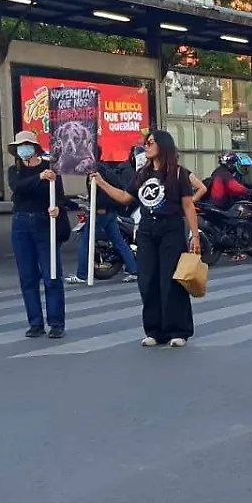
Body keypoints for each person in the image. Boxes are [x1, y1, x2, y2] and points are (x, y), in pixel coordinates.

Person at [93, 130, 200, 347]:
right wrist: (101, 183)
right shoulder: (143, 174)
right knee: (147, 280)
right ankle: (154, 330)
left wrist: (195, 235)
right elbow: (125, 197)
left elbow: (188, 205)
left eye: (151, 142)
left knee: (170, 280)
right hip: (146, 231)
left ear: (163, 145)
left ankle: (177, 330)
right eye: (146, 143)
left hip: (171, 229)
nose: (147, 146)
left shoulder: (178, 174)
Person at [7, 131, 66, 338]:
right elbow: (17, 187)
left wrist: (57, 208)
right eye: (19, 146)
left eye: (26, 145)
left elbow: (59, 197)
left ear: (34, 147)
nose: (23, 149)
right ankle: (35, 322)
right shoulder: (14, 170)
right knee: (27, 276)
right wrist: (38, 177)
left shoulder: (50, 168)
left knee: (52, 275)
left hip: (44, 222)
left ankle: (56, 322)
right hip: (20, 223)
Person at [69, 143, 139, 285]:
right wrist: (89, 198)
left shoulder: (96, 171)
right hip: (109, 211)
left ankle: (82, 275)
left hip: (101, 212)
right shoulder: (104, 167)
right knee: (118, 241)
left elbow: (105, 191)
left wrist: (100, 205)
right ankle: (134, 270)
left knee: (86, 242)